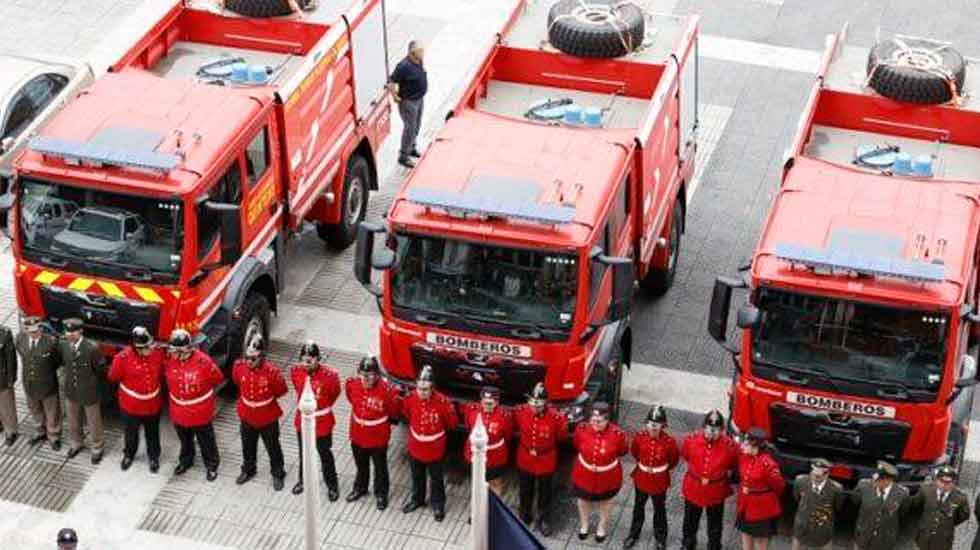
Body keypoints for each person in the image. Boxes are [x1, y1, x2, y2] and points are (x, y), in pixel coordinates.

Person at [399, 365, 457, 522]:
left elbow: (451, 423)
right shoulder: (410, 398)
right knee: (417, 476)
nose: (421, 392)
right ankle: (417, 499)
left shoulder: (443, 403)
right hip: (416, 445)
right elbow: (407, 414)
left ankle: (438, 504)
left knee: (436, 478)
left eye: (425, 389)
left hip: (434, 448)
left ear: (433, 388)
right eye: (419, 388)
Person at [165, 329, 223, 481]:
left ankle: (211, 464)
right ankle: (186, 461)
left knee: (206, 440)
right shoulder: (170, 359)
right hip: (179, 409)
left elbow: (217, 378)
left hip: (199, 411)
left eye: (177, 352)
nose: (174, 355)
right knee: (184, 439)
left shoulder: (203, 362)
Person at [107, 326, 165, 472]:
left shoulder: (157, 353)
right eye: (146, 347)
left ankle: (154, 457)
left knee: (152, 432)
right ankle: (129, 454)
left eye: (150, 345)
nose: (150, 349)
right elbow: (113, 376)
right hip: (131, 406)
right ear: (137, 348)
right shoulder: (122, 359)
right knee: (131, 433)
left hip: (153, 404)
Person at [514, 382, 569, 537]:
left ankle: (543, 519)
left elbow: (561, 436)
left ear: (546, 403)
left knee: (545, 492)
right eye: (532, 404)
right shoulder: (521, 411)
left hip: (546, 458)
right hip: (525, 457)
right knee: (525, 489)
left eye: (538, 405)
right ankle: (525, 514)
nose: (534, 408)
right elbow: (514, 427)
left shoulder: (556, 418)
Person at [233, 335, 287, 491]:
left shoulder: (272, 373)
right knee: (247, 445)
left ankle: (278, 473)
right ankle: (248, 470)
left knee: (273, 447)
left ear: (262, 357)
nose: (249, 361)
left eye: (253, 358)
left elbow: (281, 390)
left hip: (267, 416)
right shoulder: (239, 367)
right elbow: (238, 382)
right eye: (247, 357)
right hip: (247, 414)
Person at [680, 409, 739, 550]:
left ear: (722, 430)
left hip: (715, 490)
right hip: (695, 486)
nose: (712, 431)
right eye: (709, 428)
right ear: (704, 427)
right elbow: (686, 456)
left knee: (715, 524)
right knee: (690, 520)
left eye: (716, 429)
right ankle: (688, 543)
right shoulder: (691, 440)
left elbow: (733, 464)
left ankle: (714, 546)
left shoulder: (730, 447)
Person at [345, 355, 398, 510]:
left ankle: (381, 494)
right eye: (363, 374)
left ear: (377, 375)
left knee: (380, 467)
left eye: (370, 375)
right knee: (361, 465)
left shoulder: (387, 391)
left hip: (378, 437)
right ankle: (360, 488)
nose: (366, 378)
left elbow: (393, 411)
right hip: (358, 434)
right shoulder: (352, 385)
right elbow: (351, 399)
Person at [289, 340, 341, 499]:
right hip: (303, 421)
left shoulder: (330, 377)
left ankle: (332, 486)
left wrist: (321, 409)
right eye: (304, 359)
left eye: (310, 360)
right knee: (303, 453)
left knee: (325, 455)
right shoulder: (296, 372)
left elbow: (334, 394)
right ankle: (303, 480)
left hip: (321, 423)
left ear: (318, 359)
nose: (307, 363)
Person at [571, 402, 628, 543]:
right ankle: (584, 524)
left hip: (607, 477)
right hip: (584, 474)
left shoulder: (617, 435)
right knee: (583, 500)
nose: (595, 423)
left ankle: (602, 527)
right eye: (593, 420)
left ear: (607, 420)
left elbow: (622, 451)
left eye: (600, 421)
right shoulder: (582, 429)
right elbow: (577, 444)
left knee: (605, 502)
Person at [624, 405, 679, 550]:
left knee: (659, 510)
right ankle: (633, 534)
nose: (653, 427)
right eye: (650, 423)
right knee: (638, 508)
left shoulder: (669, 442)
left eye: (657, 424)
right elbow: (635, 452)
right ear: (647, 423)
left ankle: (660, 538)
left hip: (659, 480)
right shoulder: (640, 437)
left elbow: (673, 461)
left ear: (663, 425)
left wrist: (658, 470)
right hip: (641, 477)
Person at [59, 318, 106, 464]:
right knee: (72, 419)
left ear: (81, 331)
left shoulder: (92, 348)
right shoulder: (64, 345)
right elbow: (63, 363)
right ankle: (76, 442)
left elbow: (100, 370)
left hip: (88, 390)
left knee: (93, 421)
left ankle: (97, 447)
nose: (70, 334)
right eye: (67, 331)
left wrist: (91, 383)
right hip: (71, 389)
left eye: (73, 331)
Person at [735, 428, 784, 550]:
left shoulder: (768, 464)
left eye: (745, 444)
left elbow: (779, 487)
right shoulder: (744, 456)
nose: (742, 446)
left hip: (762, 510)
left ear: (755, 446)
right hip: (746, 505)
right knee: (746, 539)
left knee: (760, 544)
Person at [17, 316, 62, 450]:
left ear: (41, 328)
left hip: (47, 383)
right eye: (30, 331)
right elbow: (23, 356)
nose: (34, 333)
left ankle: (54, 436)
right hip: (29, 382)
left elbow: (57, 361)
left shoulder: (51, 343)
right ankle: (40, 431)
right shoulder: (20, 339)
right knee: (35, 409)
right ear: (26, 330)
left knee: (52, 411)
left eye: (36, 330)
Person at [462, 386, 513, 496]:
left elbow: (507, 436)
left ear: (496, 403)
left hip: (495, 456)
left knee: (495, 482)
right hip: (475, 453)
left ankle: (494, 508)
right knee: (476, 480)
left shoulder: (504, 416)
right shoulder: (472, 410)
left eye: (490, 403)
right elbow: (468, 427)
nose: (487, 406)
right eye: (484, 403)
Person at [905, 465, 970, 550]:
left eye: (948, 482)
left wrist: (947, 523)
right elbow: (915, 506)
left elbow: (962, 516)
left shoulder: (960, 499)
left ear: (954, 483)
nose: (944, 485)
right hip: (923, 537)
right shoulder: (926, 490)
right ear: (936, 480)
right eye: (941, 481)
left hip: (942, 541)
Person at [851, 461, 909, 550]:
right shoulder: (863, 486)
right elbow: (856, 501)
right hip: (862, 536)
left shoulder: (902, 494)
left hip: (884, 541)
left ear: (889, 480)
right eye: (875, 478)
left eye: (878, 480)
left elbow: (902, 512)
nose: (874, 482)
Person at [388, 40, 427, 168]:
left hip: (419, 99)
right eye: (420, 51)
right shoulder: (403, 66)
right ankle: (403, 156)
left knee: (416, 126)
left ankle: (412, 148)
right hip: (408, 102)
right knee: (410, 128)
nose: (423, 53)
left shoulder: (419, 61)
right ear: (412, 53)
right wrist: (394, 96)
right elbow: (391, 81)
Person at [791, 458, 844, 550]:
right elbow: (797, 498)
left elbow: (837, 506)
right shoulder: (800, 481)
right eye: (813, 474)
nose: (815, 478)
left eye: (818, 476)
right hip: (802, 526)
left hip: (823, 530)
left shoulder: (836, 489)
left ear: (827, 474)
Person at [0, 322, 18, 446]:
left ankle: (11, 431)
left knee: (7, 406)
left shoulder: (4, 334)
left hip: (2, 377)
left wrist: (11, 378)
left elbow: (11, 358)